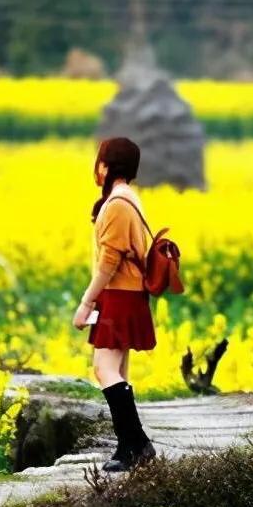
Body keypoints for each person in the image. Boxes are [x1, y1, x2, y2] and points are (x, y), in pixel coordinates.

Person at [72, 136, 158, 471]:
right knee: (117, 370)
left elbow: (109, 262)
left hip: (121, 295)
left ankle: (135, 445)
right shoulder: (122, 199)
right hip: (122, 294)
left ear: (106, 166)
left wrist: (85, 302)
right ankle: (132, 445)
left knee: (104, 368)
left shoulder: (119, 203)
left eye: (99, 161)